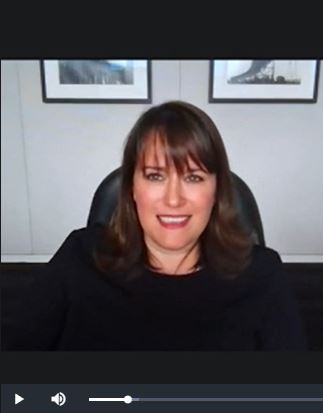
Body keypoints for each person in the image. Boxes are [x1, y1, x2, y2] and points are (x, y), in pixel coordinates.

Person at [1, 101, 307, 350]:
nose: (173, 200)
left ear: (216, 191)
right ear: (132, 188)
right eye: (155, 176)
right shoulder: (80, 257)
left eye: (193, 177)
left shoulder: (263, 274)